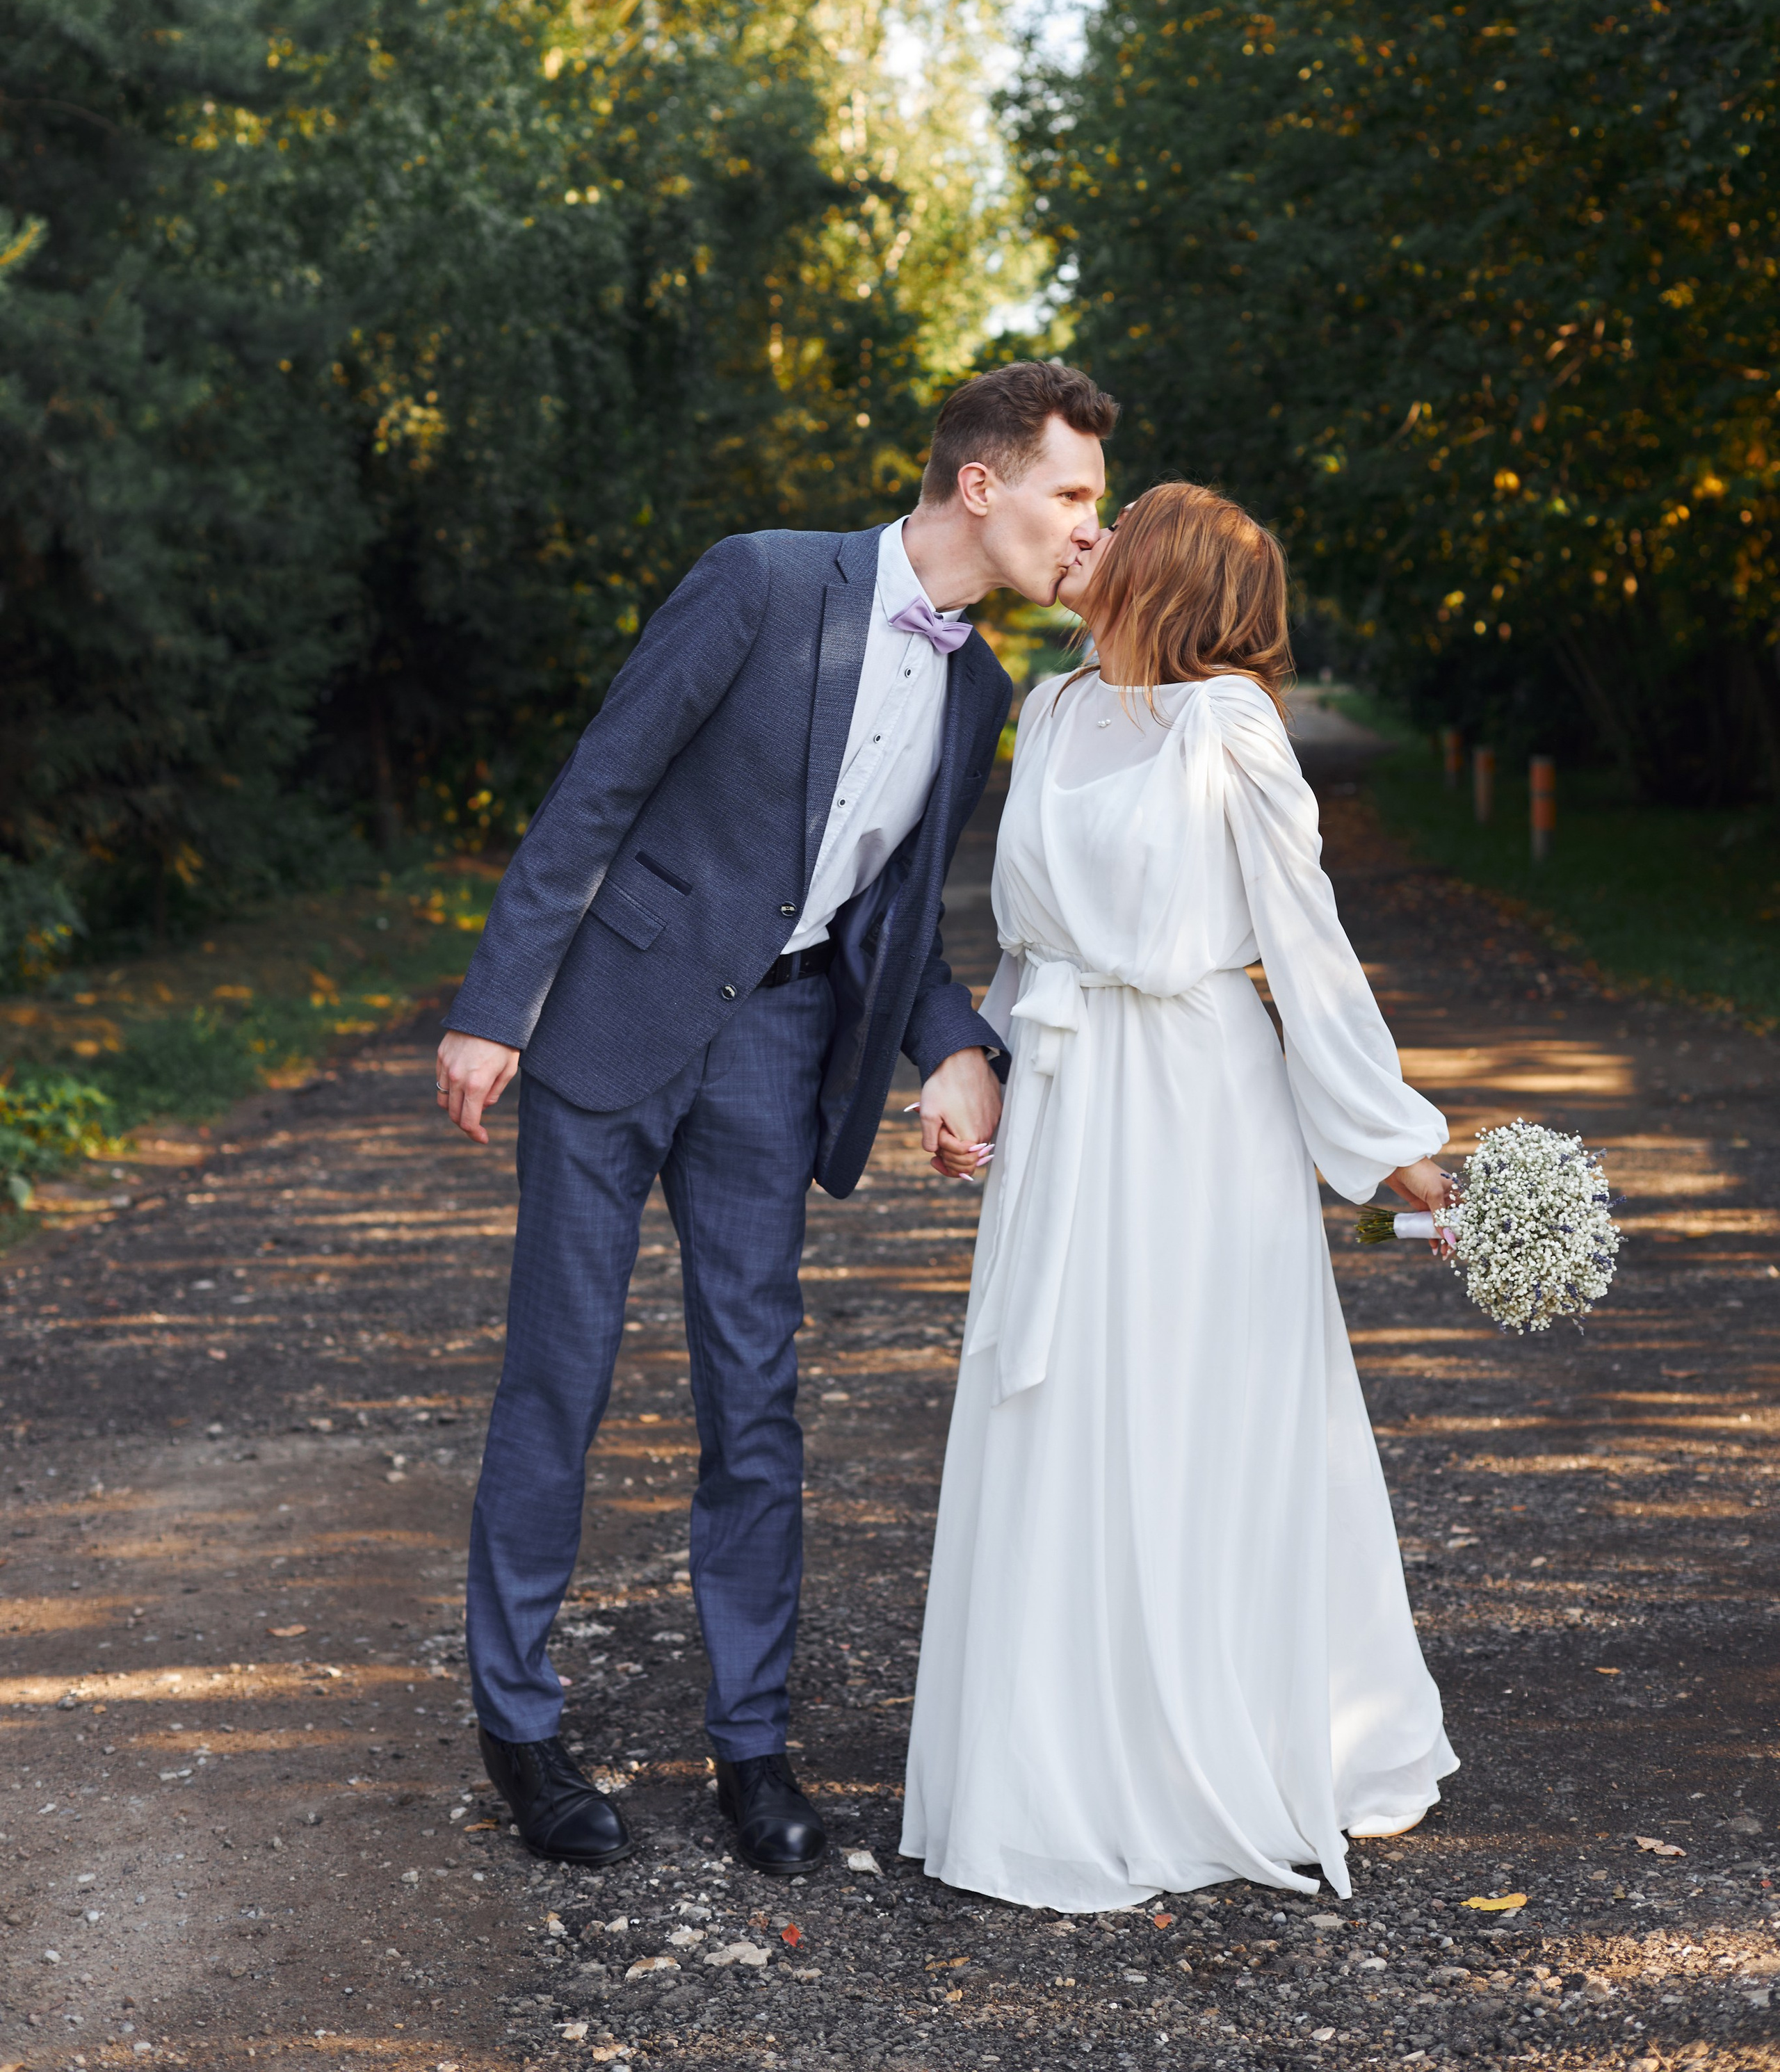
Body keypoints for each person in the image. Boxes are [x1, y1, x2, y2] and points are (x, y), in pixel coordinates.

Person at [435, 359, 1119, 1877]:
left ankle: (751, 1747)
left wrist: (949, 1047)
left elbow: (896, 916)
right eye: (1073, 493)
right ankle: (521, 1727)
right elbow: (597, 788)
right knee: (561, 1376)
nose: (1091, 525)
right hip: (610, 1026)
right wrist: (496, 1003)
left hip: (779, 1046)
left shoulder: (979, 685)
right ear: (980, 482)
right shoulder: (758, 582)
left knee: (756, 1401)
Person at [901, 481, 1459, 1912]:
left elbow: (1306, 946)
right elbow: (1021, 941)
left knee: (1197, 1411)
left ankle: (1239, 1736)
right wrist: (981, 1076)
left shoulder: (1231, 727)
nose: (1079, 539)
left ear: (1168, 575)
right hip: (1075, 1112)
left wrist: (1398, 1147)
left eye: (1111, 525)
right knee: (1063, 1413)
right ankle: (1060, 1762)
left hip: (1200, 1110)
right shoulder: (1056, 707)